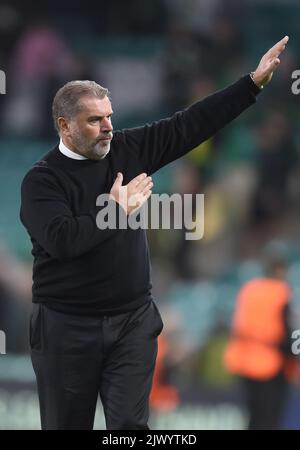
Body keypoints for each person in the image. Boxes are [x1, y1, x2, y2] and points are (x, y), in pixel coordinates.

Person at [20, 37, 289, 430]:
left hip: (132, 322)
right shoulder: (41, 182)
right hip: (66, 327)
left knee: (131, 429)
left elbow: (189, 125)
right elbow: (62, 241)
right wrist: (115, 209)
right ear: (64, 125)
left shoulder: (126, 149)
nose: (107, 127)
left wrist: (250, 85)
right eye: (94, 120)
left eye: (109, 116)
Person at [224, 241, 296, 430]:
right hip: (270, 364)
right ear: (280, 269)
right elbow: (286, 333)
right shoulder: (280, 293)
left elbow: (238, 324)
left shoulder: (249, 289)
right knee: (269, 419)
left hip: (245, 362)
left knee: (254, 417)